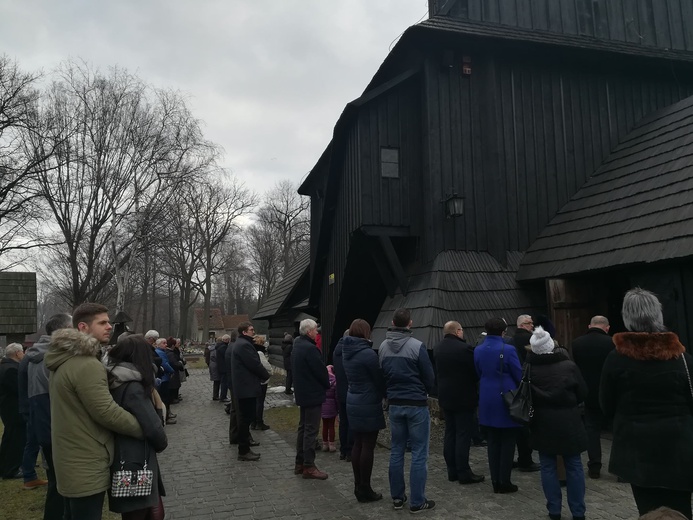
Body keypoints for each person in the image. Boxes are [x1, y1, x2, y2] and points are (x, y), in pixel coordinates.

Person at [600, 288, 693, 519]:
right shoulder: (682, 358)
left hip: (636, 449)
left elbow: (605, 404)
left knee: (648, 511)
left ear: (627, 318)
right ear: (658, 316)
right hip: (679, 448)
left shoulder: (616, 359)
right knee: (682, 511)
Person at [45, 303, 143, 520]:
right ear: (83, 327)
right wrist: (144, 427)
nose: (109, 326)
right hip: (85, 460)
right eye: (102, 322)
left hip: (70, 456)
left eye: (108, 321)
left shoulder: (65, 359)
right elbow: (106, 412)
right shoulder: (86, 364)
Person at [104, 335, 168, 520]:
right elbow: (153, 427)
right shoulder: (133, 387)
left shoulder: (115, 379)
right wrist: (162, 441)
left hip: (125, 454)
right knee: (140, 510)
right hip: (135, 459)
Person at [527, 325, 588, 520]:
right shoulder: (568, 366)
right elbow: (582, 393)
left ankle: (554, 510)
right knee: (574, 465)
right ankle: (578, 512)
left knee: (547, 466)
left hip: (542, 421)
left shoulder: (529, 369)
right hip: (568, 419)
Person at [379, 308, 436, 513]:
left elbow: (382, 375)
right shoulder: (417, 346)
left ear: (393, 322)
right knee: (419, 452)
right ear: (410, 323)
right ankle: (417, 500)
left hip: (395, 403)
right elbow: (429, 376)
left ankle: (397, 497)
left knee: (396, 450)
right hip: (416, 404)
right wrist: (425, 392)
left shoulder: (383, 347)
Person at [23, 313, 72, 519]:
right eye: (73, 327)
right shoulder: (47, 358)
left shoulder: (41, 355)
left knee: (60, 488)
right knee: (60, 488)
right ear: (63, 331)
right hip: (57, 434)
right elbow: (44, 400)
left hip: (51, 430)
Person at [474, 317, 523, 494]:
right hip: (505, 396)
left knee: (493, 440)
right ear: (504, 331)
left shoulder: (478, 349)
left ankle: (495, 479)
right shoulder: (508, 349)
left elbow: (478, 371)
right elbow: (519, 375)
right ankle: (505, 481)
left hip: (487, 396)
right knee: (508, 440)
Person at [433, 321, 484, 485]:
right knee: (463, 434)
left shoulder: (438, 348)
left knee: (450, 432)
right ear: (457, 331)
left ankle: (452, 471)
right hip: (463, 396)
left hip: (445, 396)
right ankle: (464, 472)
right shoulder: (465, 349)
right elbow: (475, 372)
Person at [342, 319, 386, 503]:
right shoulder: (367, 354)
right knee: (368, 445)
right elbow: (379, 379)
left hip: (353, 399)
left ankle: (357, 485)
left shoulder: (347, 351)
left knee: (358, 444)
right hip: (367, 402)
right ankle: (365, 488)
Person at [571, 315, 614, 479]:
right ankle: (619, 469)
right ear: (607, 328)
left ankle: (594, 466)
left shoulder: (577, 343)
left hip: (589, 392)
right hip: (610, 393)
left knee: (592, 430)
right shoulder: (612, 343)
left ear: (589, 326)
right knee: (617, 429)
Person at [292, 318, 330, 480]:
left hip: (302, 393)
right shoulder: (310, 349)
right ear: (308, 332)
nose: (317, 332)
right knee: (310, 430)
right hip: (312, 394)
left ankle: (299, 462)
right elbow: (320, 371)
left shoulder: (297, 345)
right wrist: (327, 382)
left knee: (303, 428)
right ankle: (309, 465)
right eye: (315, 330)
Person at [230, 321, 270, 462]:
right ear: (244, 332)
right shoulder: (244, 345)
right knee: (245, 419)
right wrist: (266, 375)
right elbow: (254, 364)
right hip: (246, 388)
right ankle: (243, 450)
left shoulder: (241, 344)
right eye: (251, 330)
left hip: (245, 387)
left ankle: (245, 448)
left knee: (245, 418)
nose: (254, 331)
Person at [511, 314, 540, 472]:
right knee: (526, 424)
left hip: (515, 385)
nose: (532, 326)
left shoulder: (510, 340)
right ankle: (525, 459)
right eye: (529, 323)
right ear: (522, 325)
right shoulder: (531, 340)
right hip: (528, 383)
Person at [0, 343, 26, 479]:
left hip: (7, 409)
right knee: (16, 439)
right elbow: (19, 389)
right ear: (17, 353)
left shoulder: (4, 366)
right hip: (13, 409)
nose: (24, 354)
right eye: (22, 352)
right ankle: (12, 469)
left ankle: (3, 465)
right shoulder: (11, 369)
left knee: (8, 438)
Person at [333, 329, 353, 462]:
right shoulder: (349, 351)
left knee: (343, 422)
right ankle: (350, 451)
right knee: (351, 423)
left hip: (340, 391)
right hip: (350, 391)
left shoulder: (336, 351)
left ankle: (343, 450)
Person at [251, 336, 272, 431]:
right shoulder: (260, 353)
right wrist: (268, 374)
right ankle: (259, 422)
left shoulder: (250, 351)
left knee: (254, 402)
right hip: (261, 381)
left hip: (253, 380)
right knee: (260, 402)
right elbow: (267, 366)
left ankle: (253, 422)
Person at [154, 338, 176, 425]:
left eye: (166, 343)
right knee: (165, 398)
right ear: (158, 344)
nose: (166, 345)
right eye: (164, 343)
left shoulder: (161, 352)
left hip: (164, 378)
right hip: (164, 379)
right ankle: (166, 417)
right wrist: (172, 370)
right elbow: (165, 364)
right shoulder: (160, 353)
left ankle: (167, 415)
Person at [320, 365, 338, 452]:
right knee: (331, 426)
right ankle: (331, 444)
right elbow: (336, 396)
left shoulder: (321, 381)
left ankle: (324, 444)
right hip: (332, 407)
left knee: (324, 426)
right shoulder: (335, 381)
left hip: (323, 406)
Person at [216, 335, 231, 402]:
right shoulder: (223, 348)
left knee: (223, 382)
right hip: (224, 367)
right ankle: (223, 396)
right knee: (224, 383)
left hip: (221, 367)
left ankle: (223, 395)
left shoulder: (220, 346)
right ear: (226, 340)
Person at [206, 336, 221, 400]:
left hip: (213, 365)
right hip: (215, 366)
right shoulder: (215, 349)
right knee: (217, 381)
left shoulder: (213, 348)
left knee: (216, 381)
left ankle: (216, 395)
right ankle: (215, 395)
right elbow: (215, 357)